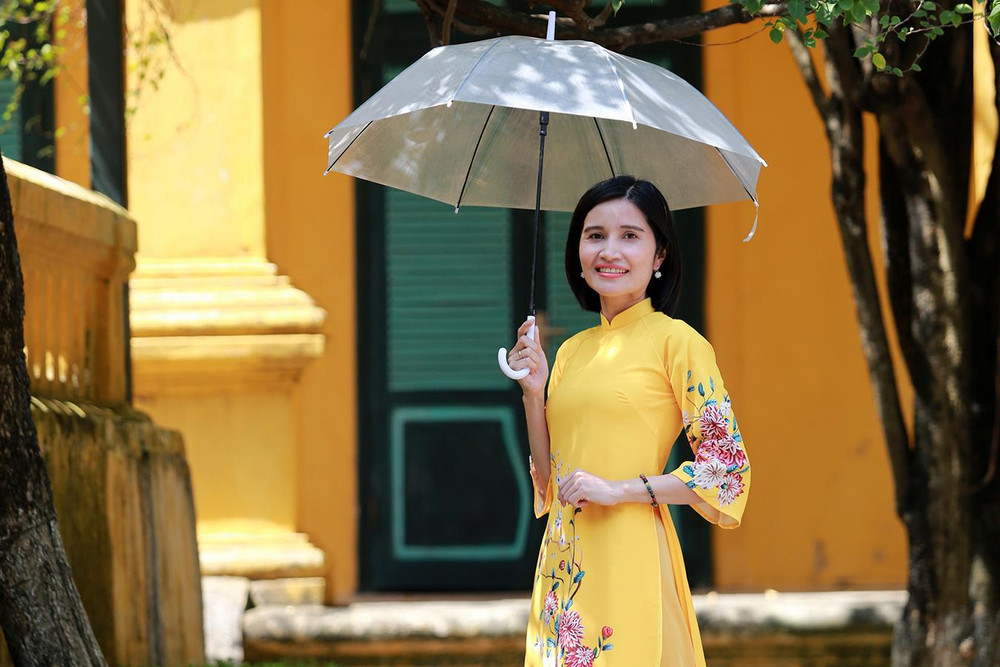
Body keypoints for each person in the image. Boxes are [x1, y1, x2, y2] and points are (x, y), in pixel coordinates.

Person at [508, 176, 751, 667]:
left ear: (660, 254)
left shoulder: (678, 343)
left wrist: (618, 490)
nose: (609, 251)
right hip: (565, 565)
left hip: (631, 555)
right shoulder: (571, 352)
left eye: (630, 236)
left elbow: (727, 472)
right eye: (595, 235)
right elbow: (552, 483)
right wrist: (534, 394)